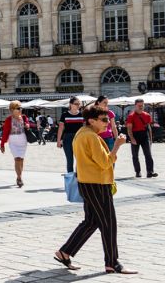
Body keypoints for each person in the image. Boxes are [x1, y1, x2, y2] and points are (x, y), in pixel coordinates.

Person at [55, 106, 135, 275]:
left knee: (91, 221)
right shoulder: (91, 137)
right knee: (109, 223)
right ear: (92, 120)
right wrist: (117, 146)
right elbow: (105, 162)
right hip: (97, 184)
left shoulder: (82, 133)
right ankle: (112, 263)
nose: (108, 123)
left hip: (87, 182)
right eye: (104, 119)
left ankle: (65, 252)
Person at [0, 100, 31, 188]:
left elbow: (28, 123)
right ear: (12, 109)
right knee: (17, 159)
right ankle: (19, 178)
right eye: (18, 108)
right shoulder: (8, 120)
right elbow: (5, 133)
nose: (20, 110)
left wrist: (28, 125)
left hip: (23, 140)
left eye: (21, 108)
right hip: (13, 141)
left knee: (21, 159)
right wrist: (2, 144)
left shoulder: (24, 117)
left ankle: (19, 176)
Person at [125, 99, 157, 178]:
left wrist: (151, 138)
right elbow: (129, 128)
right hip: (135, 135)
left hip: (144, 135)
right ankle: (138, 172)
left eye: (142, 105)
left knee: (148, 154)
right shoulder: (131, 116)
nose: (141, 107)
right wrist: (132, 139)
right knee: (135, 155)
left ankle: (150, 171)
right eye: (139, 105)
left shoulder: (147, 115)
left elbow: (149, 127)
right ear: (135, 105)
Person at [56, 97, 85, 173]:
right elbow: (61, 128)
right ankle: (70, 179)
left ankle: (79, 178)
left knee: (79, 159)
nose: (78, 105)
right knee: (69, 159)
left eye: (79, 104)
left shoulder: (82, 114)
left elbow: (86, 127)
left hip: (79, 138)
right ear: (70, 104)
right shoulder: (64, 115)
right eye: (76, 104)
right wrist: (58, 140)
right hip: (67, 138)